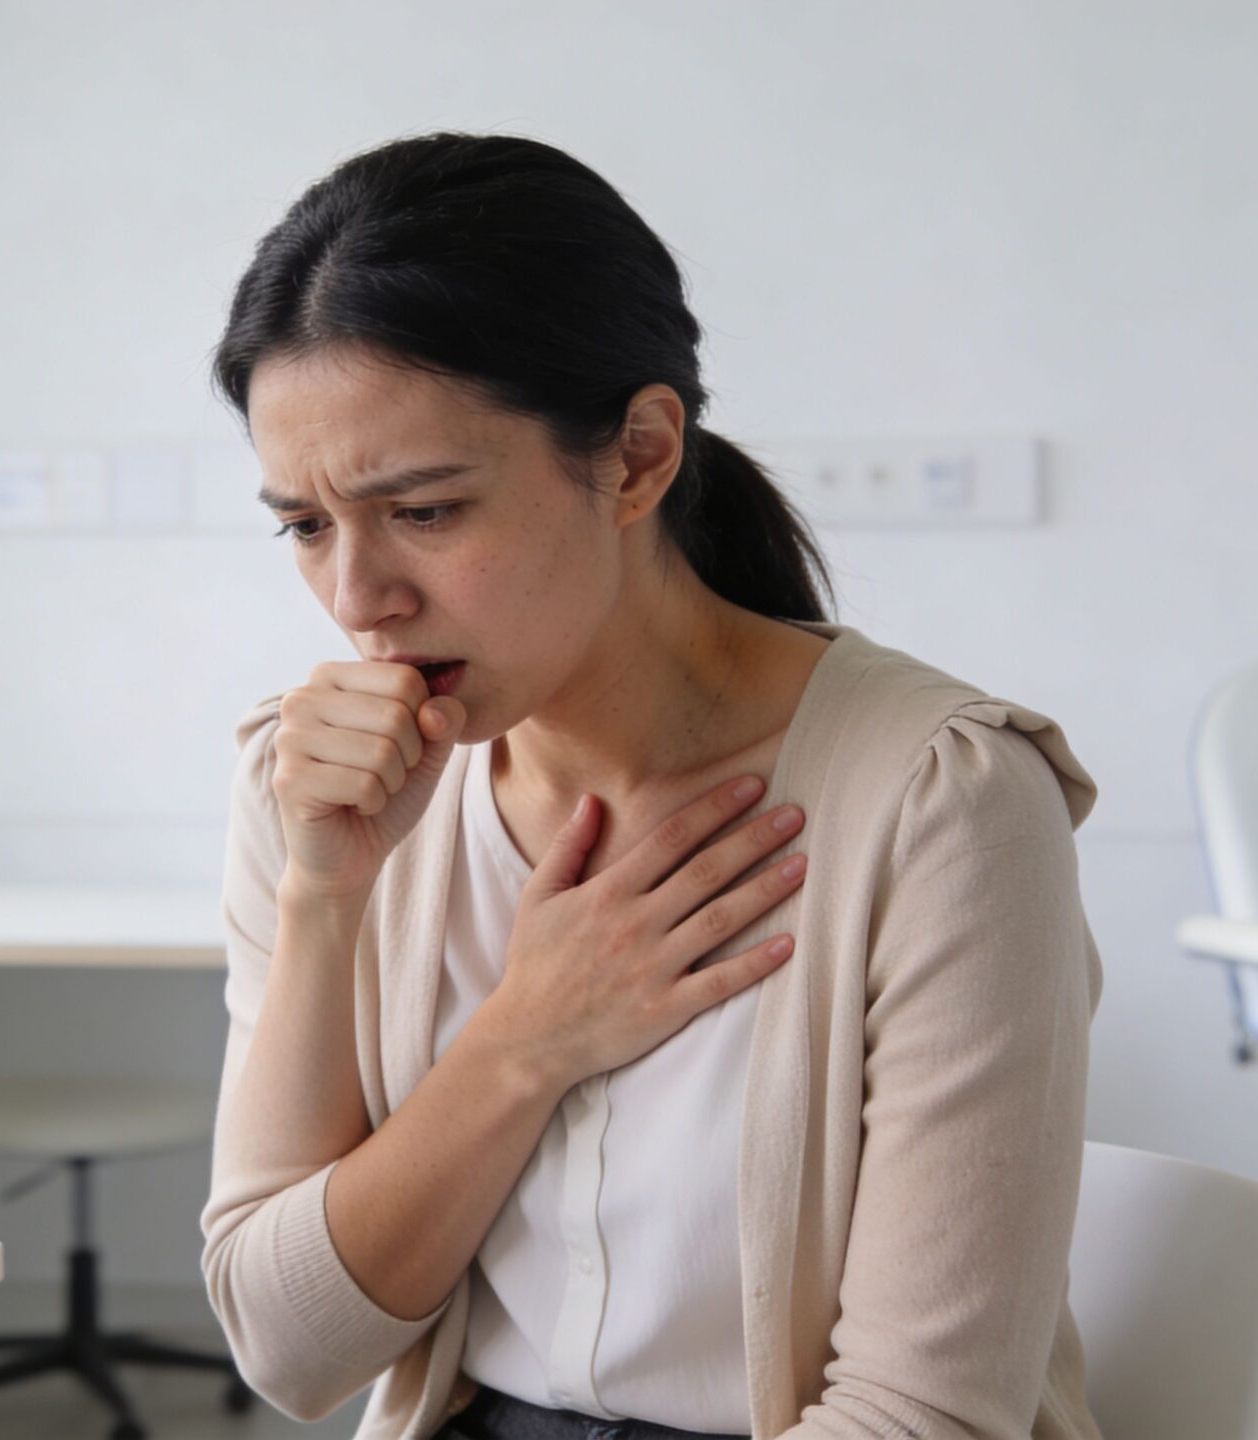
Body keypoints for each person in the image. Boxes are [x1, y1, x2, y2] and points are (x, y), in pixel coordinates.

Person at [200, 132, 1104, 1440]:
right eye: (304, 525)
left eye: (429, 509)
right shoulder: (315, 799)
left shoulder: (941, 803)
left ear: (636, 456)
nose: (357, 598)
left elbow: (923, 1421)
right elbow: (289, 1349)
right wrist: (475, 1006)